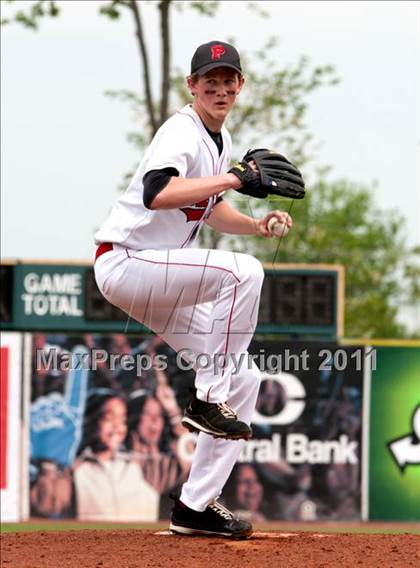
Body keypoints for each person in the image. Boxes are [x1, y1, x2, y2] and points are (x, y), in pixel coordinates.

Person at [94, 40, 297, 539]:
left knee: (245, 379)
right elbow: (158, 192)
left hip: (155, 276)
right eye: (211, 79)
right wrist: (230, 178)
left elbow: (206, 210)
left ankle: (195, 506)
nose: (220, 87)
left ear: (240, 85)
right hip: (126, 261)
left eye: (229, 79)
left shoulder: (221, 142)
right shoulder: (181, 130)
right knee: (243, 273)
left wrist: (257, 224)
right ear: (193, 85)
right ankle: (207, 398)